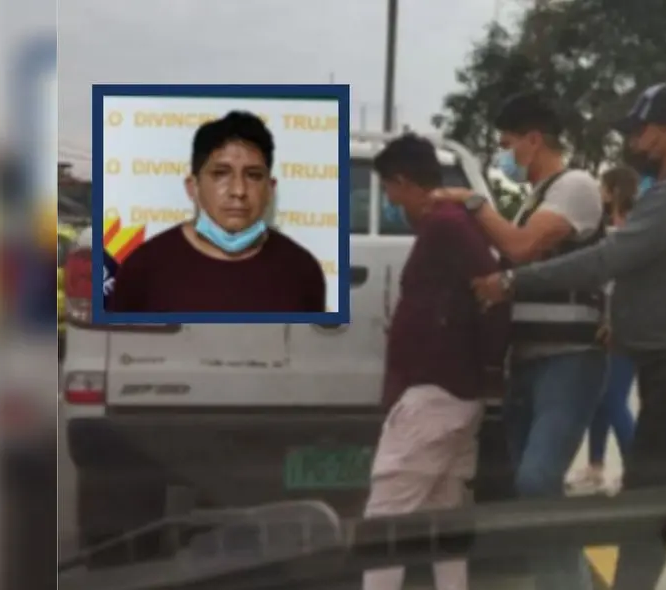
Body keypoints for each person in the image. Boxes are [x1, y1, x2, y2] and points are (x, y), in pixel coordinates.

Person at [471, 83, 666, 590]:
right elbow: (646, 272)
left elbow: (607, 260)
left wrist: (512, 281)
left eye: (641, 131)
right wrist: (623, 319)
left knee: (647, 495)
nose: (635, 141)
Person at [431, 92, 607, 590]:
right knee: (529, 490)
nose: (505, 154)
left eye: (508, 144)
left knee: (538, 480)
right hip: (528, 361)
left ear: (534, 139)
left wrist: (472, 204)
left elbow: (522, 246)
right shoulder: (537, 197)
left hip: (569, 360)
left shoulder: (574, 186)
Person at [361, 134, 509, 590]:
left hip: (434, 394)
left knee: (385, 521)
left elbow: (492, 290)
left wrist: (482, 364)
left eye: (388, 190)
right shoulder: (447, 226)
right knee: (442, 522)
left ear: (404, 183)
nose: (390, 201)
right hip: (453, 392)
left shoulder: (446, 226)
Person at [109, 111, 326, 313]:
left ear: (270, 189)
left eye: (253, 175)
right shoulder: (142, 268)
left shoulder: (302, 271)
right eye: (221, 174)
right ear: (193, 187)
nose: (238, 191)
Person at [568, 166, 639, 494]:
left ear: (613, 190)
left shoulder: (633, 226)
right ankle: (595, 467)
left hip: (622, 327)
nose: (598, 192)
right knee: (601, 400)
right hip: (606, 321)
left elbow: (624, 281)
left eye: (602, 187)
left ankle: (635, 471)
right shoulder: (609, 226)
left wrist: (614, 321)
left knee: (613, 399)